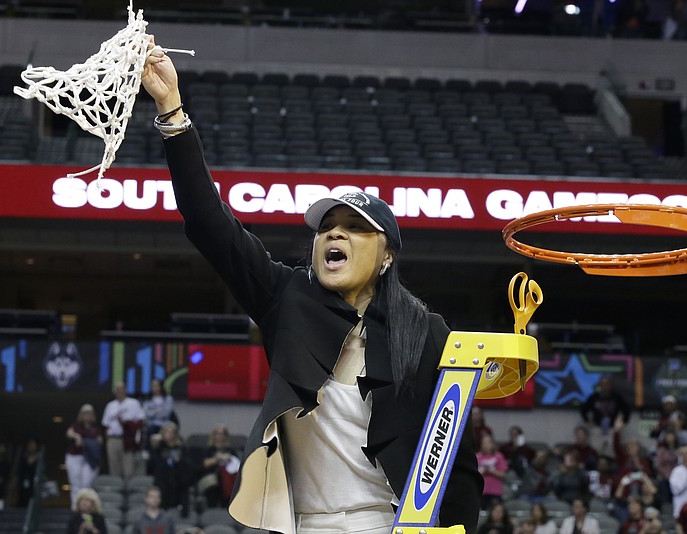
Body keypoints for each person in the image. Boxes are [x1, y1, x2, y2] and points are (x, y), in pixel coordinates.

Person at [140, 43, 482, 534]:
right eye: (327, 227)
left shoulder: (426, 331)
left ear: (387, 256)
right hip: (302, 525)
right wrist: (172, 110)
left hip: (388, 525)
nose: (334, 235)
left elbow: (458, 462)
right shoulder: (287, 297)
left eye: (354, 228)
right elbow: (209, 223)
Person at [148, 421, 193, 517]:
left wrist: (179, 461)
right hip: (162, 479)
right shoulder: (159, 446)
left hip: (178, 479)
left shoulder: (181, 448)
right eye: (167, 432)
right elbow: (152, 463)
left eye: (172, 432)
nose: (169, 435)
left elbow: (187, 465)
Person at [579, 376, 631, 457]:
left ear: (610, 385)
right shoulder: (594, 397)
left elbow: (626, 410)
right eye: (602, 384)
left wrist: (623, 423)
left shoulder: (616, 397)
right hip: (597, 428)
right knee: (595, 452)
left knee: (612, 452)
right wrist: (587, 421)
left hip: (611, 429)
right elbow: (583, 409)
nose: (604, 386)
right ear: (600, 385)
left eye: (606, 384)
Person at [102, 382, 145, 478]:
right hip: (113, 438)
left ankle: (128, 490)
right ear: (115, 392)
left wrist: (128, 424)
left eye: (122, 389)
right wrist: (108, 440)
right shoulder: (110, 405)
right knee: (114, 468)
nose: (120, 392)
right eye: (118, 390)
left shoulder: (133, 403)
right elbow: (106, 425)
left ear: (126, 390)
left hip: (127, 439)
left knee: (128, 469)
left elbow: (142, 421)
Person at [66, 404, 103, 508]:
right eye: (85, 413)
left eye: (89, 413)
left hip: (90, 459)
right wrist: (76, 436)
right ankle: (75, 507)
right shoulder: (76, 426)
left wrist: (88, 442)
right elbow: (69, 433)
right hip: (75, 456)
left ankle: (87, 507)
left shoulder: (95, 429)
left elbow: (100, 441)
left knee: (86, 484)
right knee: (76, 484)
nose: (87, 416)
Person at [198, 423, 242, 508]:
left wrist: (229, 458)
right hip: (210, 478)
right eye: (217, 433)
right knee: (214, 485)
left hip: (228, 479)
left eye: (222, 434)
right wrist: (217, 459)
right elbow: (203, 465)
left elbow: (237, 466)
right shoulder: (208, 449)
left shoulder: (230, 450)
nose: (219, 436)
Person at [477, 433, 508, 510]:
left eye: (488, 443)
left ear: (492, 444)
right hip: (481, 492)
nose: (485, 445)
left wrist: (490, 471)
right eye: (484, 443)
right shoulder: (477, 456)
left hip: (495, 492)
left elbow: (503, 474)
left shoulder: (499, 456)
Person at [142, 378, 175, 447]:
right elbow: (146, 414)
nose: (154, 388)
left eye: (156, 386)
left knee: (169, 432)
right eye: (153, 386)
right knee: (150, 430)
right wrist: (157, 411)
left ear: (161, 387)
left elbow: (167, 413)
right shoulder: (147, 400)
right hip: (151, 426)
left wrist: (153, 412)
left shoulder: (168, 399)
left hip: (165, 426)